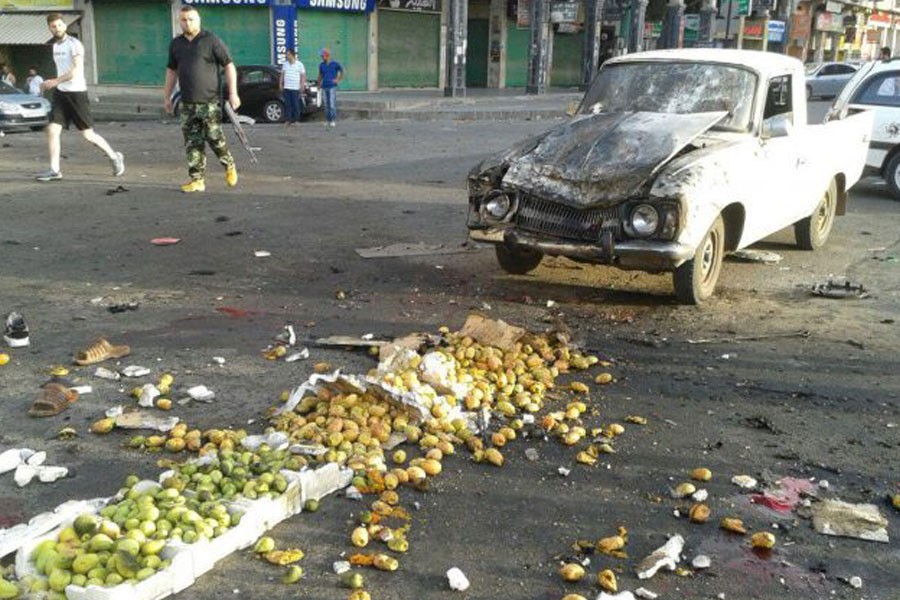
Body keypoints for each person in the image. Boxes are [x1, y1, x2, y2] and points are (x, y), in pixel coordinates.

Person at [36, 13, 124, 182]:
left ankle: (114, 157)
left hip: (77, 94)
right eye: (53, 26)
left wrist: (55, 81)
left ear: (65, 25)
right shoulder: (55, 46)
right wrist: (54, 82)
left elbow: (75, 71)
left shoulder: (74, 44)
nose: (57, 28)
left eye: (60, 25)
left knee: (88, 134)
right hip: (61, 93)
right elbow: (62, 71)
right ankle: (55, 170)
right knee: (52, 130)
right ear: (50, 28)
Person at [163, 5, 239, 193]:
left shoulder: (211, 40)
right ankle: (197, 180)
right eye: (184, 20)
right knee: (192, 142)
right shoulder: (176, 44)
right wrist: (167, 96)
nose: (187, 23)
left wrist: (233, 93)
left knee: (214, 137)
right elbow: (171, 71)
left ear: (199, 19)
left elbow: (229, 65)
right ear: (179, 21)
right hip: (187, 103)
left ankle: (229, 164)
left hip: (209, 101)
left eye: (191, 19)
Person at [317, 48, 343, 127]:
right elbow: (320, 75)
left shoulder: (335, 64)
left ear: (327, 56)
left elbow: (341, 71)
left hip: (332, 86)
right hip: (324, 86)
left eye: (323, 56)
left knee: (332, 104)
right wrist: (318, 85)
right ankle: (328, 120)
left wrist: (338, 79)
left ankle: (332, 120)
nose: (321, 57)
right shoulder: (321, 65)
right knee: (326, 104)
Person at [280, 49, 306, 125]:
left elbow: (303, 75)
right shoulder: (285, 64)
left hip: (295, 87)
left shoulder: (299, 64)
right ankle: (288, 120)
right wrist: (280, 84)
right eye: (286, 55)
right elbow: (282, 75)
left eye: (288, 54)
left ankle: (296, 120)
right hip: (287, 87)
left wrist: (302, 85)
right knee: (288, 104)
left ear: (292, 55)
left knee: (295, 104)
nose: (287, 56)